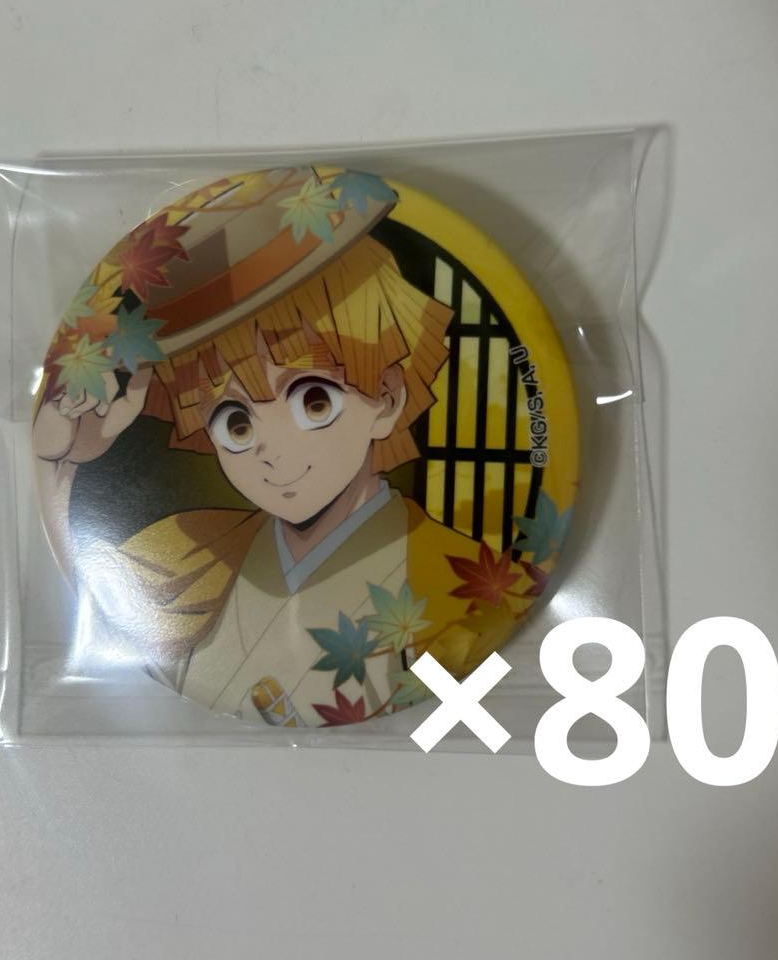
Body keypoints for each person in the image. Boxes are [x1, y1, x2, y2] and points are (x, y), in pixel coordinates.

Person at [33, 167, 544, 727]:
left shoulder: (467, 580)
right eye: (235, 423)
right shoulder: (193, 552)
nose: (273, 453)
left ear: (387, 398)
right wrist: (65, 463)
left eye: (314, 402)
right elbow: (93, 597)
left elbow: (457, 705)